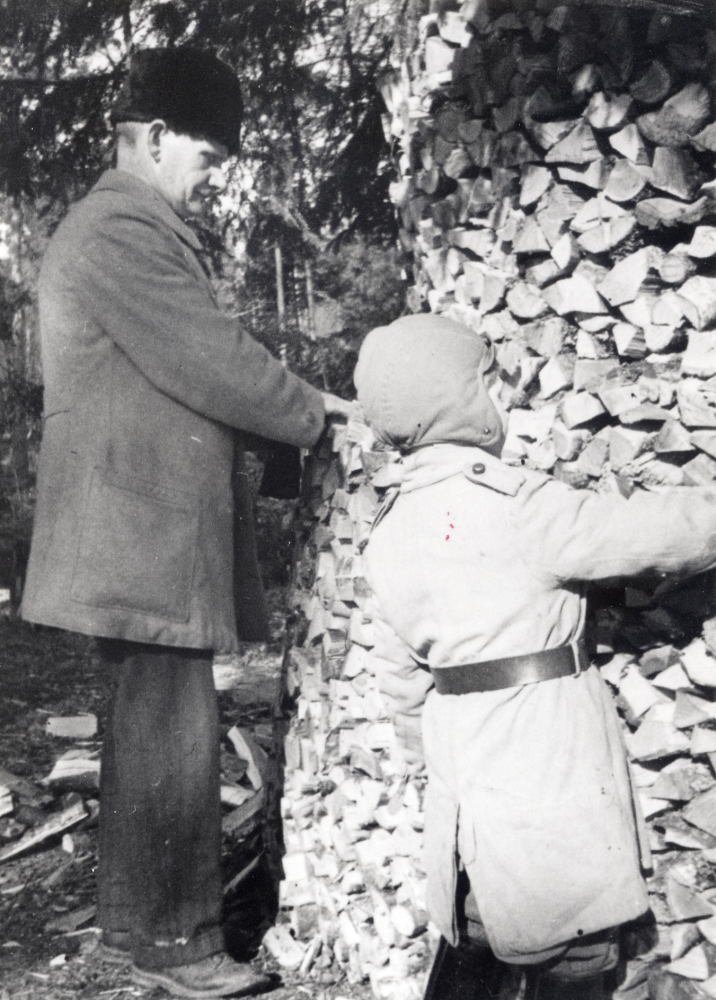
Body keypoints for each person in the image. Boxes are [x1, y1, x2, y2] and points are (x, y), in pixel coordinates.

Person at [21, 47, 349, 999]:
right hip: (141, 529)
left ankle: (133, 931)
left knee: (142, 728)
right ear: (155, 137)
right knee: (171, 732)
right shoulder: (122, 227)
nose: (212, 181)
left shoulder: (122, 225)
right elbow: (209, 357)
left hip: (132, 524)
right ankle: (184, 946)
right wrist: (316, 410)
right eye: (207, 159)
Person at [353, 314, 716, 1000]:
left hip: (465, 787)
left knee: (476, 930)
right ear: (461, 401)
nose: (504, 399)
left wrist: (434, 754)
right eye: (488, 384)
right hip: (545, 759)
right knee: (573, 953)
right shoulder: (519, 507)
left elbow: (399, 681)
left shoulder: (390, 529)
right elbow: (659, 534)